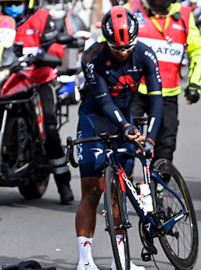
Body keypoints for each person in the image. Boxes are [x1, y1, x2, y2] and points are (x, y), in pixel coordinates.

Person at [0, 0, 74, 204]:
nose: (12, 5)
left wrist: (42, 53)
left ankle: (63, 183)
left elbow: (55, 47)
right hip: (4, 79)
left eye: (16, 1)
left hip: (36, 79)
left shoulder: (42, 18)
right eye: (8, 2)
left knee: (50, 130)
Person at [74, 6, 163, 270]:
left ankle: (119, 261)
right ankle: (85, 262)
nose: (123, 52)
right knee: (91, 191)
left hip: (125, 121)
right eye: (116, 48)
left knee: (117, 193)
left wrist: (151, 139)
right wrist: (125, 126)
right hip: (94, 120)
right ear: (106, 40)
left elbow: (157, 100)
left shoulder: (146, 54)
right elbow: (103, 102)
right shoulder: (93, 58)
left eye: (128, 47)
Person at [124, 0, 201, 167]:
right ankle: (121, 188)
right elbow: (107, 45)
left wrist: (195, 84)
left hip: (167, 92)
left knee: (166, 146)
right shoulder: (131, 10)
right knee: (126, 143)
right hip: (134, 90)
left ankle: (160, 186)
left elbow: (198, 51)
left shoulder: (184, 16)